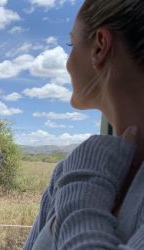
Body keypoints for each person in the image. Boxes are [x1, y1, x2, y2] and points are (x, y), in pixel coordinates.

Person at [23, 0, 144, 249]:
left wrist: (82, 196)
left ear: (99, 46)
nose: (67, 63)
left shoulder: (80, 175)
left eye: (71, 44)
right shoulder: (67, 174)